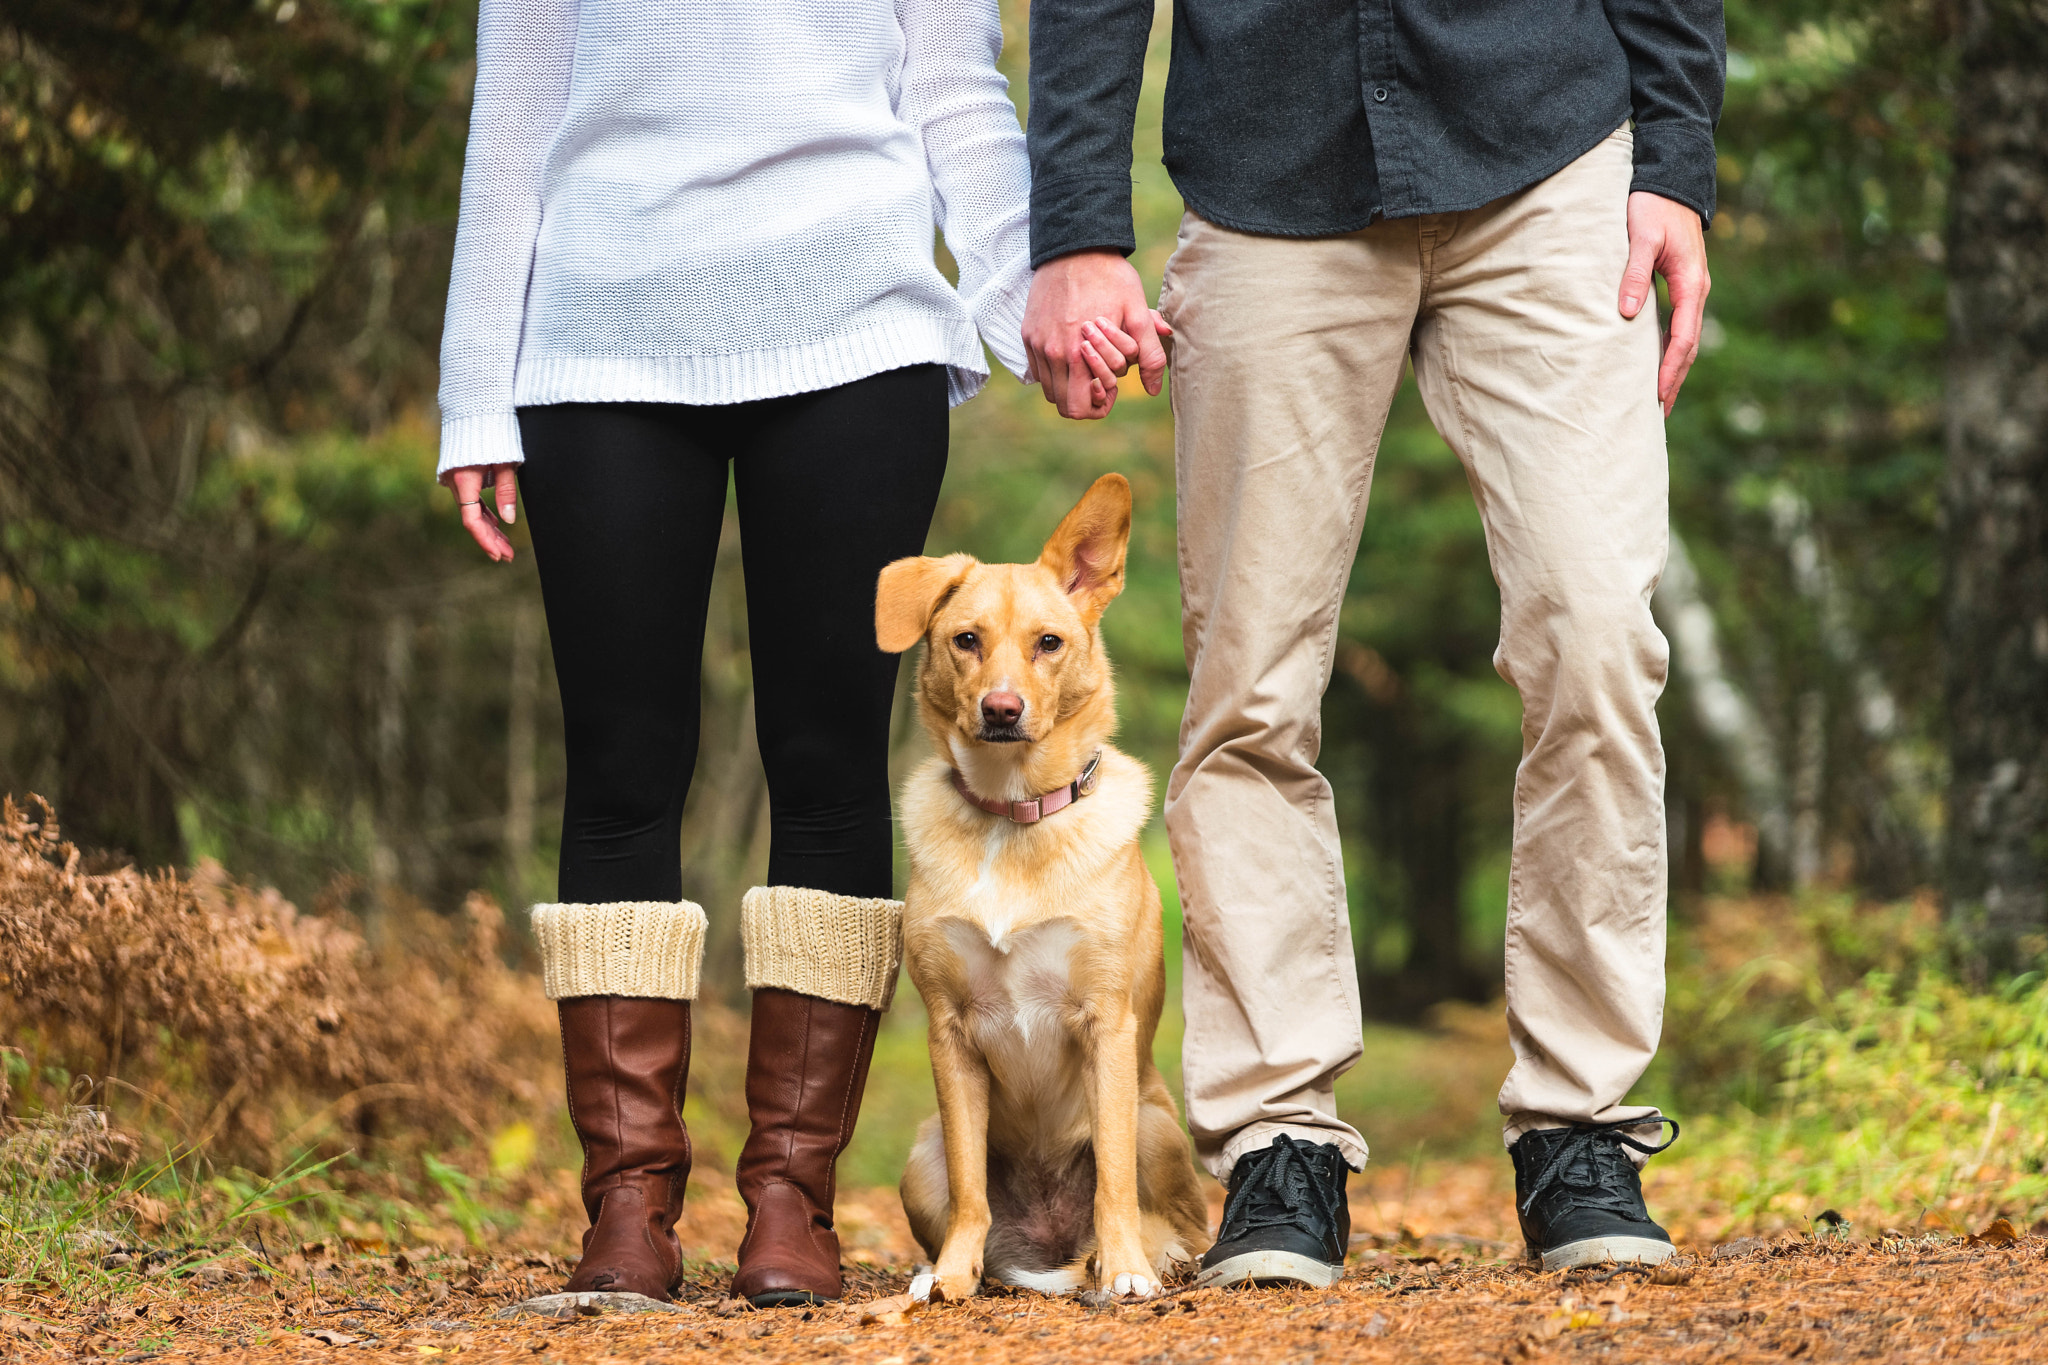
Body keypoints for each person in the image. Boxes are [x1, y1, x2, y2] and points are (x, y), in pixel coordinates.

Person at [1021, 1, 1724, 1283]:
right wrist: (1075, 225)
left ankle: (1579, 1123)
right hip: (1267, 178)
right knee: (1247, 682)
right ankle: (1276, 1133)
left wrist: (1673, 154)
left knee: (1596, 636)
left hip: (1549, 156)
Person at [436, 0, 1038, 1307]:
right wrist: (475, 388)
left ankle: (789, 1207)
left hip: (855, 324)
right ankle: (629, 1209)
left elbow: (956, 86)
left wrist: (1020, 295)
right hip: (601, 338)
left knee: (826, 761)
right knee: (620, 767)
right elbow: (515, 117)